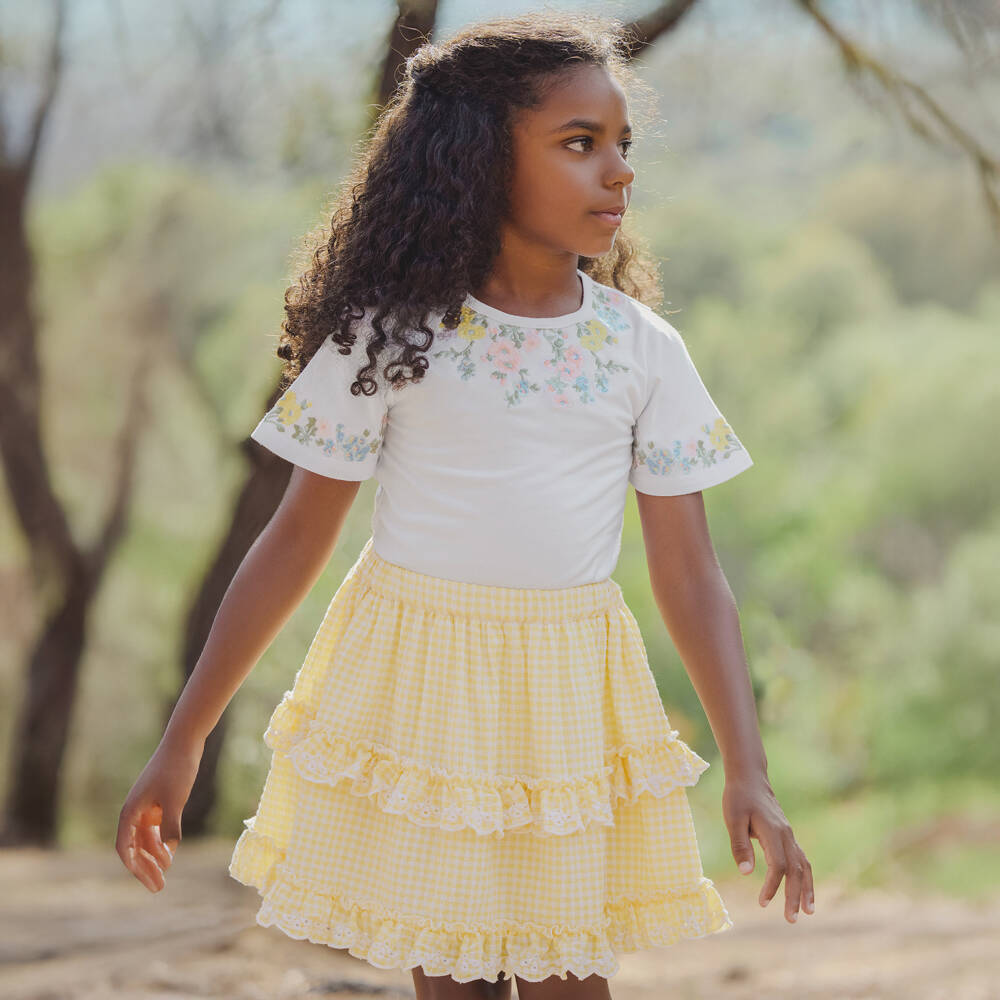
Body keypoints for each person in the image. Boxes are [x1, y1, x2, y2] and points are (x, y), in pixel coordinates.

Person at [115, 10, 815, 1000]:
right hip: (424, 694)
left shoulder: (641, 349)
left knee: (570, 981)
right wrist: (184, 737)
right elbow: (295, 539)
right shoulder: (387, 337)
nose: (619, 171)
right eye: (580, 143)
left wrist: (749, 767)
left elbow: (690, 572)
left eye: (623, 144)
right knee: (453, 983)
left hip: (568, 701)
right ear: (481, 160)